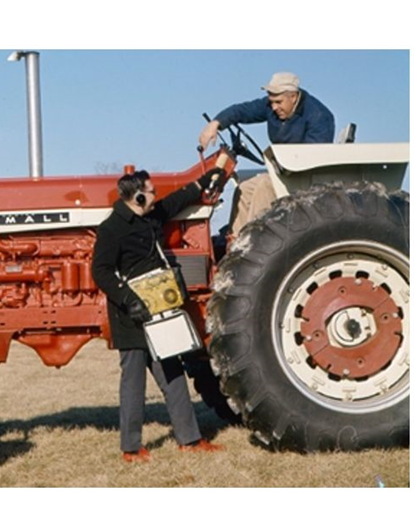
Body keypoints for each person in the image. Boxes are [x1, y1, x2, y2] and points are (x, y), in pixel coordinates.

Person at [92, 170, 226, 463]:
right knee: (133, 380)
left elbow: (176, 201)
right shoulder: (111, 228)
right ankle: (130, 448)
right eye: (151, 192)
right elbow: (100, 271)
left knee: (173, 373)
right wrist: (129, 300)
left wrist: (203, 182)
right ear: (137, 196)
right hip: (131, 314)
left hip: (160, 309)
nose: (155, 196)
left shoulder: (150, 216)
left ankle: (189, 440)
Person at [199, 72, 335, 235]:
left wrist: (282, 170)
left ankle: (254, 241)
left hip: (303, 176)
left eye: (279, 102)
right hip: (281, 170)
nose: (274, 107)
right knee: (244, 188)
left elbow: (312, 158)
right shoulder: (272, 107)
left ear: (293, 97)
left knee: (264, 186)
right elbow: (242, 111)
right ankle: (234, 241)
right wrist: (216, 123)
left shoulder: (318, 116)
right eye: (271, 102)